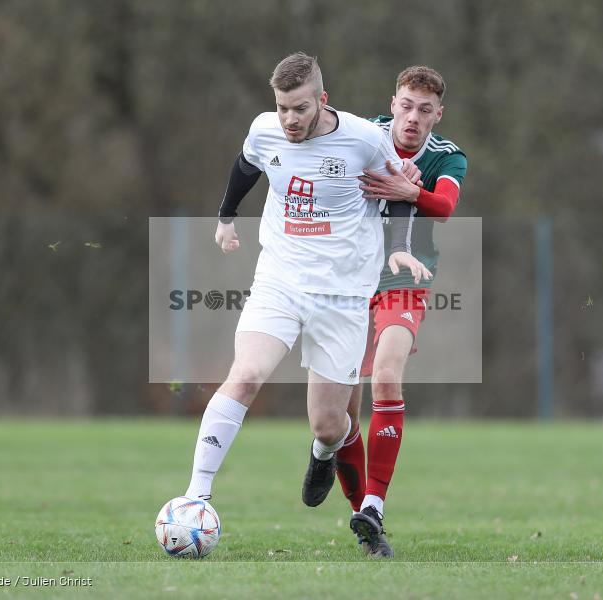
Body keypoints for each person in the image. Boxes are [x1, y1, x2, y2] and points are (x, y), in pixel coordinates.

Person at [182, 53, 431, 513]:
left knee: (329, 425)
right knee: (246, 375)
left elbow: (397, 192)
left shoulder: (364, 139)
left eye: (300, 108)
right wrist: (226, 217)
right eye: (282, 108)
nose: (289, 119)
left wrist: (399, 245)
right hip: (280, 278)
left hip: (344, 293)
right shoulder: (264, 129)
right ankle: (195, 497)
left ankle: (322, 452)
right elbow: (246, 165)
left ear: (322, 99)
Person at [334, 66, 468, 557]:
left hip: (403, 279)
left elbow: (445, 206)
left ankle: (372, 509)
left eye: (425, 110)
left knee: (386, 377)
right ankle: (328, 457)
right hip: (346, 277)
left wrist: (409, 192)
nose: (414, 118)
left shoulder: (448, 156)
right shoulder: (361, 138)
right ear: (392, 103)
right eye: (407, 106)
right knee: (337, 414)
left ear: (438, 114)